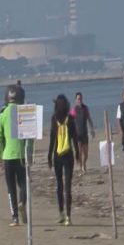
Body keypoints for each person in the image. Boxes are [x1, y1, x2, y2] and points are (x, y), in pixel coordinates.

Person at [0, 85, 33, 226]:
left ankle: (15, 217)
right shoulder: (24, 112)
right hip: (21, 155)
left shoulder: (3, 114)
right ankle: (22, 202)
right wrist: (30, 154)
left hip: (7, 155)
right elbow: (30, 137)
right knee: (23, 184)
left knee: (10, 188)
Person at [48, 94, 80, 226]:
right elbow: (74, 138)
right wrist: (77, 153)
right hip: (68, 155)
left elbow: (52, 140)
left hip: (57, 155)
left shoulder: (53, 119)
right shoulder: (71, 119)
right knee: (68, 186)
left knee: (59, 186)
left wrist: (49, 156)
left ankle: (61, 214)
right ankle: (68, 217)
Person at [69, 92, 95, 173]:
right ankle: (81, 167)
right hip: (77, 134)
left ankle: (84, 164)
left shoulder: (85, 108)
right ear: (76, 100)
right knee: (79, 152)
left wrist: (92, 129)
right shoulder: (74, 109)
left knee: (86, 153)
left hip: (84, 133)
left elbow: (89, 119)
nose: (79, 100)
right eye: (78, 99)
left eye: (80, 98)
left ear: (82, 99)